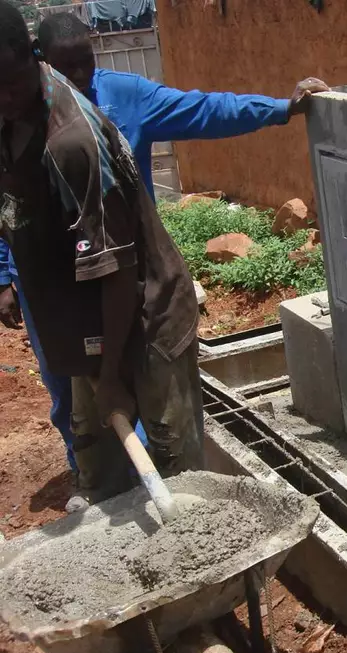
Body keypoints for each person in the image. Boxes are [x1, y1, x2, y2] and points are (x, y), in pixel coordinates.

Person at [0, 11, 328, 496]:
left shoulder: (87, 129)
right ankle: (104, 489)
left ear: (30, 58)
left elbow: (205, 110)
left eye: (87, 64)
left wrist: (280, 108)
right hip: (67, 303)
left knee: (171, 448)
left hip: (134, 295)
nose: (81, 78)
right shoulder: (14, 115)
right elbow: (13, 207)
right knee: (80, 419)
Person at [1, 0, 199, 506]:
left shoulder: (71, 141)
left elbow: (118, 272)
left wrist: (110, 377)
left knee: (180, 482)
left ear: (30, 56)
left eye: (5, 81)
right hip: (85, 325)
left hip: (143, 315)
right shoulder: (9, 116)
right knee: (102, 480)